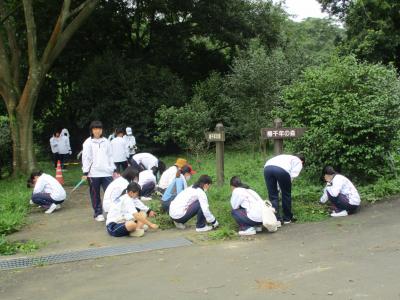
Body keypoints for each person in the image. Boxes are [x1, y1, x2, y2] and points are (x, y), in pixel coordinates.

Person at [82, 121, 115, 222]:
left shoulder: (106, 141)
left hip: (106, 172)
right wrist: (85, 172)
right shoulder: (88, 142)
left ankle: (112, 212)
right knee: (95, 194)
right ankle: (98, 213)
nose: (97, 131)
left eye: (99, 129)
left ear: (102, 130)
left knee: (110, 193)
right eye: (95, 129)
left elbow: (110, 156)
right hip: (93, 174)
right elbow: (86, 158)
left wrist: (113, 168)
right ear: (92, 130)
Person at [264, 154, 305, 225]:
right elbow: (292, 176)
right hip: (282, 170)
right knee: (286, 194)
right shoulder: (298, 161)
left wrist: (278, 188)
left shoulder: (286, 157)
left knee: (273, 195)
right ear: (302, 161)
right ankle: (287, 218)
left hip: (267, 168)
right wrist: (285, 187)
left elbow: (275, 169)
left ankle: (276, 220)